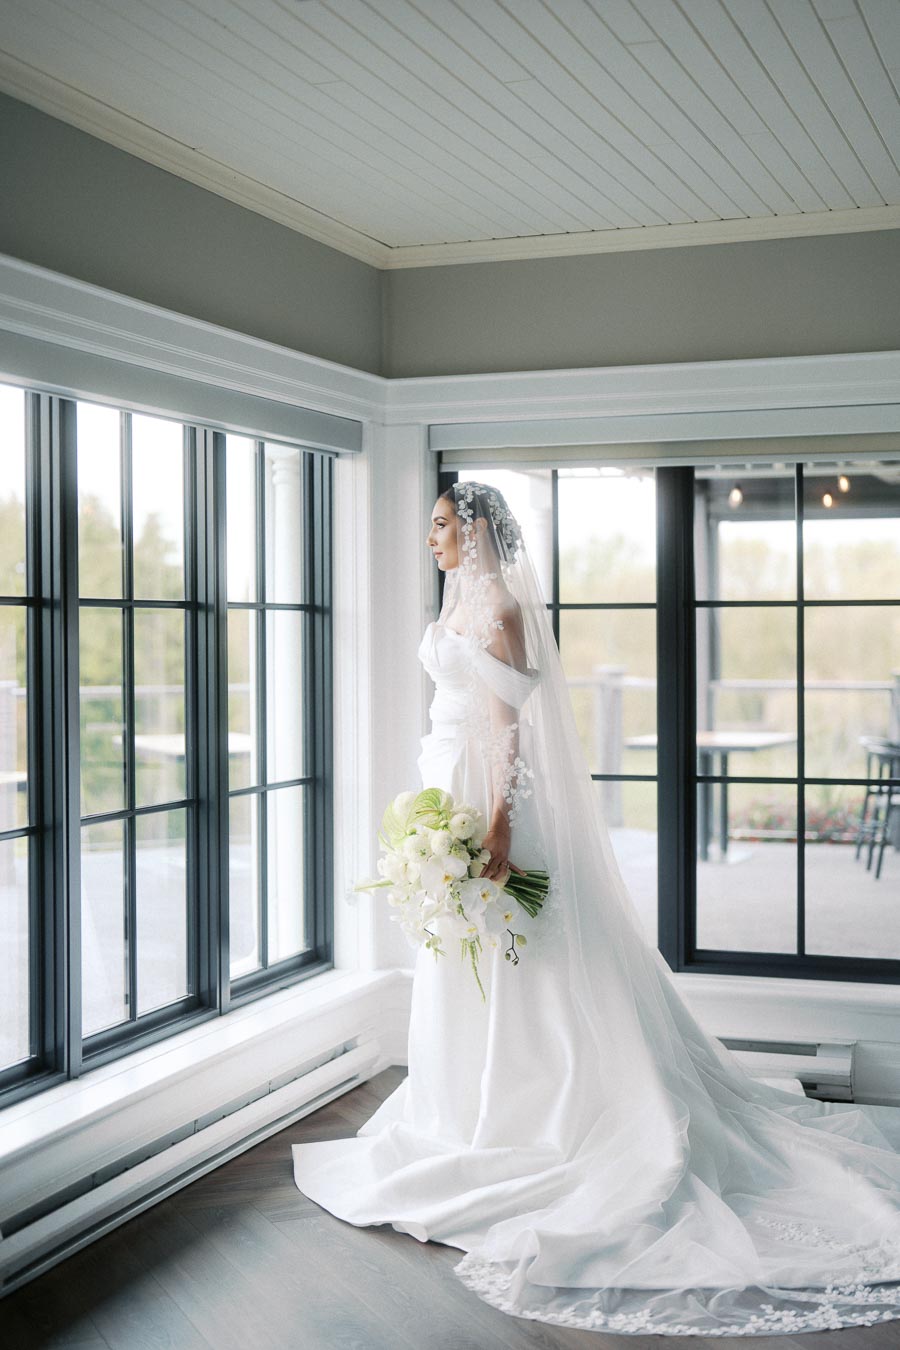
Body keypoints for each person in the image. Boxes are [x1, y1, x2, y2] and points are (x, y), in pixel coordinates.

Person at [293, 480, 900, 1336]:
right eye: (429, 526)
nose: (430, 540)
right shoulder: (461, 599)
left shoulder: (499, 607)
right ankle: (466, 1107)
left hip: (494, 801)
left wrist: (497, 828)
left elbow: (508, 729)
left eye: (439, 526)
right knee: (466, 951)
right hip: (447, 787)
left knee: (523, 955)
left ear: (472, 531)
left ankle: (543, 1111)